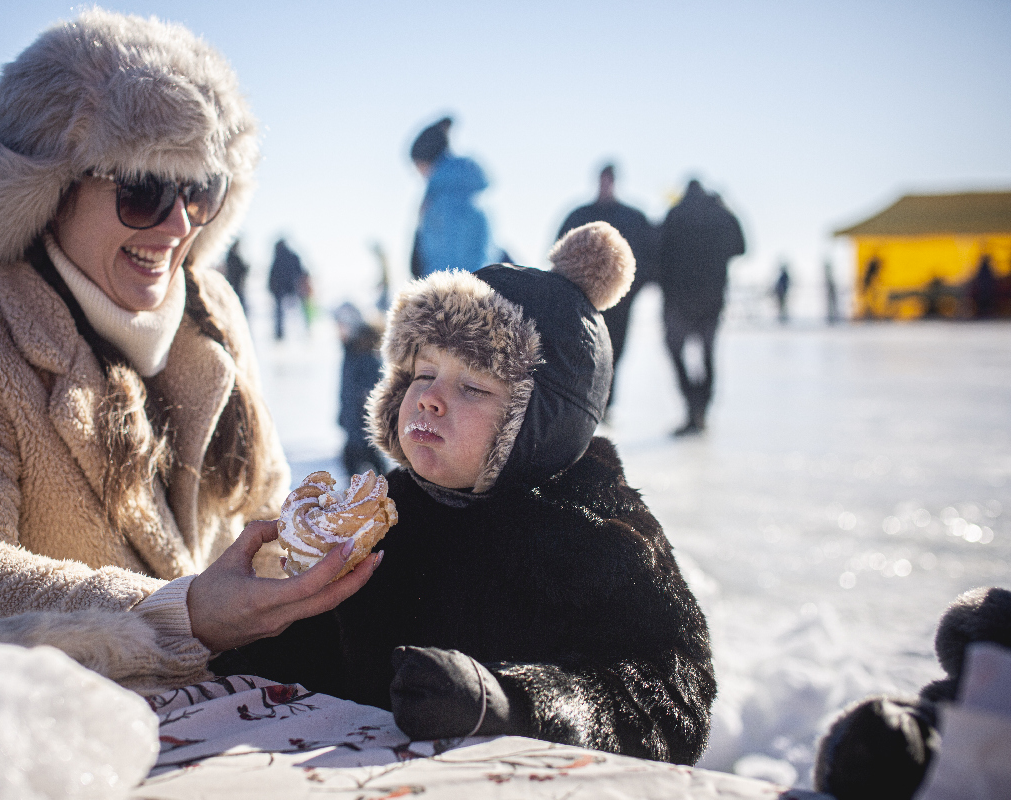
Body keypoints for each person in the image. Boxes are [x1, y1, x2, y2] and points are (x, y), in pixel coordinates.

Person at [0, 9, 378, 692]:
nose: (177, 225)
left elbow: (265, 504)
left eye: (200, 191)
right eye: (142, 191)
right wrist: (176, 613)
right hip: (65, 722)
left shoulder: (214, 309)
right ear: (48, 195)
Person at [234, 223, 716, 764]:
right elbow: (326, 652)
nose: (431, 399)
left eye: (472, 387)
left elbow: (671, 696)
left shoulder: (597, 531)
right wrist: (247, 631)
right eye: (422, 374)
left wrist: (510, 703)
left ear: (539, 422)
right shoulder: (386, 513)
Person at [557, 164, 657, 410]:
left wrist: (633, 288)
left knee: (615, 351)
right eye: (602, 180)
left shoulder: (633, 217)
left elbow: (652, 257)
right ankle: (583, 404)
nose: (605, 186)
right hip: (582, 299)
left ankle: (605, 405)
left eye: (609, 181)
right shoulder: (580, 215)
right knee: (583, 351)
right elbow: (559, 251)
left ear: (615, 182)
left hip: (620, 300)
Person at [656, 179, 745, 436]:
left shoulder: (675, 213)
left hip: (678, 301)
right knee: (707, 356)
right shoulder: (720, 214)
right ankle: (701, 410)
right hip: (711, 299)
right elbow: (741, 247)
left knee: (676, 353)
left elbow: (658, 252)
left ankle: (692, 408)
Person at [409, 117, 491, 277]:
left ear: (428, 160)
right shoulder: (465, 191)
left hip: (453, 291)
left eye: (418, 165)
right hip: (474, 286)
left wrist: (436, 291)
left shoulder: (446, 202)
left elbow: (450, 256)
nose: (419, 173)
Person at [333, 302, 385, 476]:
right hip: (352, 427)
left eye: (342, 326)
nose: (338, 331)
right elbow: (346, 391)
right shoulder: (350, 352)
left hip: (364, 430)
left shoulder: (367, 356)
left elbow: (371, 393)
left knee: (374, 468)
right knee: (351, 467)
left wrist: (363, 418)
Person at [268, 238, 306, 340]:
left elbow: (272, 274)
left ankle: (280, 334)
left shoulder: (278, 256)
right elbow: (300, 270)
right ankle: (303, 333)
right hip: (292, 287)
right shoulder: (293, 255)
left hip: (280, 288)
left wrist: (271, 287)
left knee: (280, 313)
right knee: (296, 312)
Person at [222, 239, 249, 316]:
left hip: (234, 284)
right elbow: (240, 269)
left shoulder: (231, 256)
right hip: (236, 285)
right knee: (238, 306)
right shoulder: (234, 257)